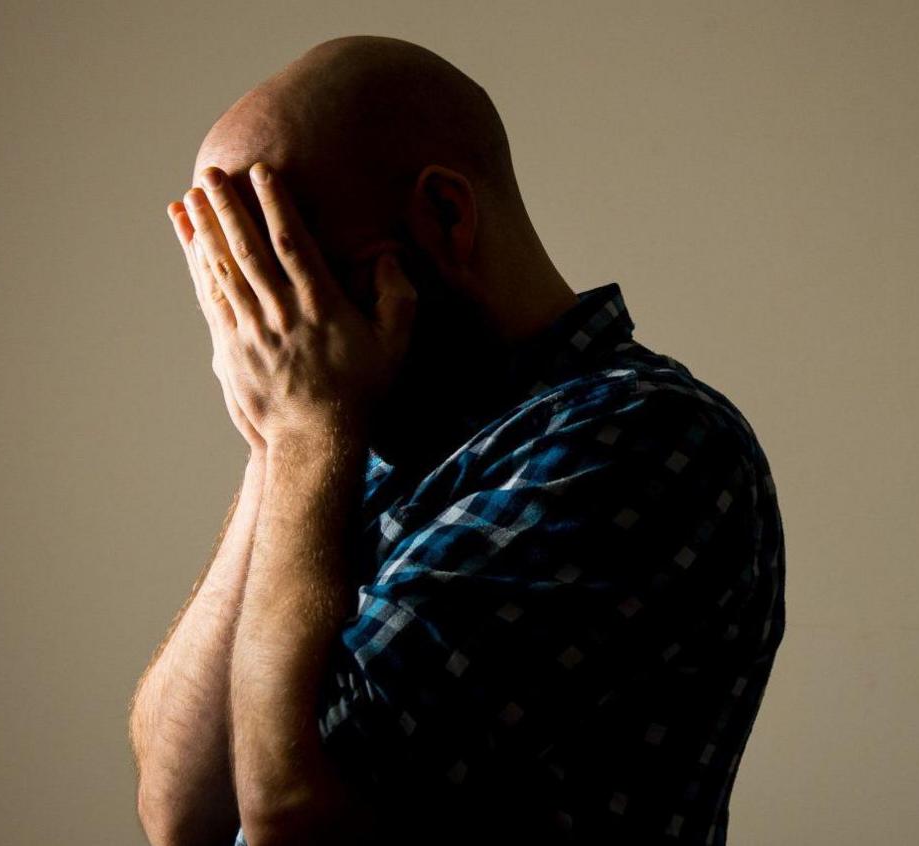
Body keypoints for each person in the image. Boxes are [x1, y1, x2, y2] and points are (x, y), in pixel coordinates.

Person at [127, 34, 785, 845]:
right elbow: (177, 814)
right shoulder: (342, 441)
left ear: (444, 215)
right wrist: (275, 446)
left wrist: (300, 432)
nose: (277, 336)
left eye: (294, 282)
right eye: (245, 299)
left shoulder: (644, 442)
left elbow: (291, 820)